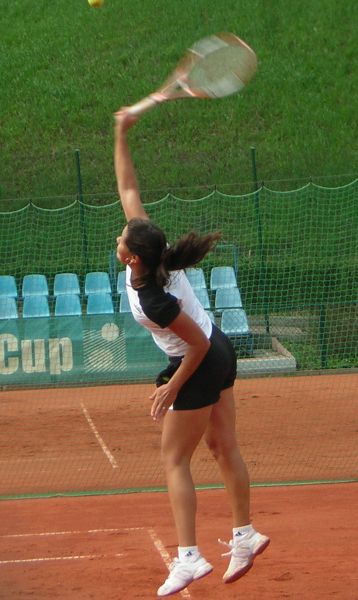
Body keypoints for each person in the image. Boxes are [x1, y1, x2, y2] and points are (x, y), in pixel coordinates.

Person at [114, 108, 270, 597]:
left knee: (174, 460)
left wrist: (172, 386)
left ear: (131, 257)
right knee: (223, 447)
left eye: (121, 237)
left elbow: (195, 347)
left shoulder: (153, 298)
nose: (118, 235)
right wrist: (120, 133)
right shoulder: (153, 256)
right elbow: (128, 189)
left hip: (201, 358)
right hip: (217, 349)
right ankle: (246, 535)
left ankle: (188, 557)